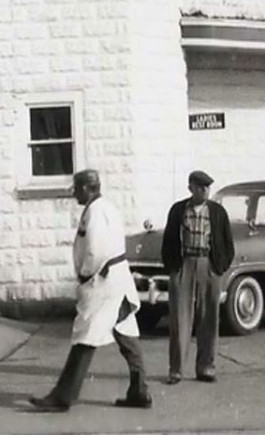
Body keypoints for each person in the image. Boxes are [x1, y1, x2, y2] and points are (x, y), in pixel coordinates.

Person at [29, 169, 152, 412]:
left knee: (85, 336)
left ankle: (63, 396)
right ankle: (139, 391)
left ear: (87, 188)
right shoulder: (107, 207)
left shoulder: (96, 212)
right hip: (116, 278)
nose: (74, 193)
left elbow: (95, 248)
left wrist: (85, 275)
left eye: (76, 188)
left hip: (103, 280)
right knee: (125, 333)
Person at [161, 170, 234, 384]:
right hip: (184, 264)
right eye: (200, 187)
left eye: (207, 187)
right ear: (190, 188)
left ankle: (206, 367)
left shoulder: (218, 212)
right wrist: (174, 269)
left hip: (208, 265)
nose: (205, 191)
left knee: (209, 318)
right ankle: (176, 370)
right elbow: (168, 241)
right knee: (180, 319)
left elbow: (228, 245)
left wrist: (219, 267)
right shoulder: (178, 210)